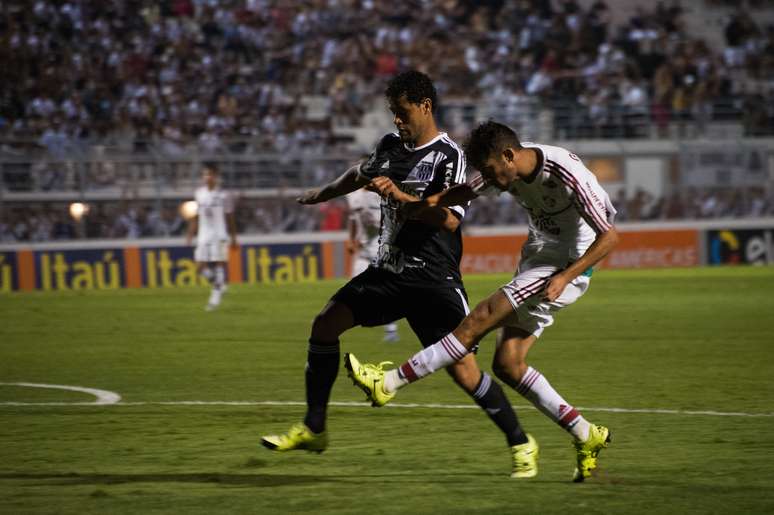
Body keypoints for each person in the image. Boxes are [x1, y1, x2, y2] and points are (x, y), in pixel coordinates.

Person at [261, 71, 536, 478]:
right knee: (324, 325)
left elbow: (449, 220)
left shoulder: (450, 156)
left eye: (402, 112)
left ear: (424, 106)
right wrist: (322, 194)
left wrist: (402, 196)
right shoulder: (390, 146)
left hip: (432, 280)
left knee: (464, 372)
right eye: (393, 112)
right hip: (388, 271)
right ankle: (314, 428)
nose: (397, 120)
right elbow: (358, 174)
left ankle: (521, 443)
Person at [346, 120, 619, 482]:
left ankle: (390, 382)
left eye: (491, 170)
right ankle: (587, 434)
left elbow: (610, 237)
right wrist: (414, 202)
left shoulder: (566, 174)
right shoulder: (501, 167)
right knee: (508, 364)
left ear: (508, 155)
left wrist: (565, 277)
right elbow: (460, 193)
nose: (490, 179)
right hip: (539, 254)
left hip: (569, 262)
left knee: (478, 319)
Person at [345, 187, 399, 342]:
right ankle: (343, 319)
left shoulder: (382, 193)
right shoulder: (353, 195)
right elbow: (352, 219)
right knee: (353, 287)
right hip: (363, 250)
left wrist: (378, 222)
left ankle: (391, 330)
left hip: (381, 249)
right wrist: (351, 239)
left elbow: (394, 217)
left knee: (382, 290)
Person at [186, 163, 237, 311]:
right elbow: (195, 216)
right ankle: (219, 284)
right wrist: (190, 233)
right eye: (205, 174)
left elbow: (230, 217)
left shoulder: (224, 195)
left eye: (210, 174)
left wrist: (233, 237)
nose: (207, 177)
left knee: (219, 265)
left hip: (220, 235)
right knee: (199, 268)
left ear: (216, 177)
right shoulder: (199, 193)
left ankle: (214, 300)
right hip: (204, 235)